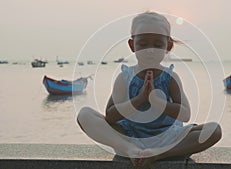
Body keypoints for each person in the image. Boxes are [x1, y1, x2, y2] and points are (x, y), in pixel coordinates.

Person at [77, 11, 222, 167]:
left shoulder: (170, 78)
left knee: (214, 130)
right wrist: (138, 100)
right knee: (85, 114)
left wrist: (157, 101)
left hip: (168, 137)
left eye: (158, 44)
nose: (150, 50)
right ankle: (130, 150)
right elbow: (110, 116)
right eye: (143, 44)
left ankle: (159, 154)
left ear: (169, 46)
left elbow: (185, 114)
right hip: (130, 135)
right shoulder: (125, 77)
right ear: (132, 45)